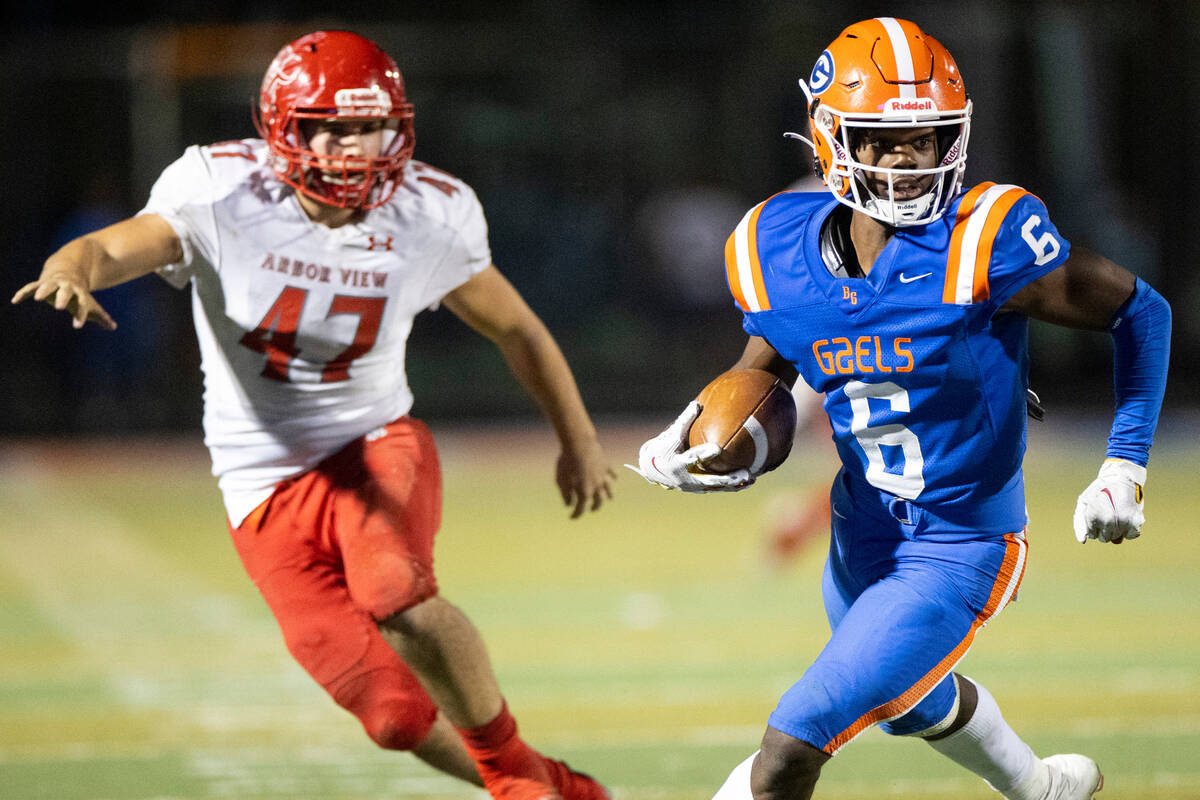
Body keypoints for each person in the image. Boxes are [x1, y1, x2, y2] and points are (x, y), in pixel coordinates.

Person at [14, 30, 615, 800]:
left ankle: (508, 776)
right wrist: (69, 267)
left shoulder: (430, 212)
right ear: (280, 128)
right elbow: (111, 247)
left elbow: (517, 326)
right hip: (259, 485)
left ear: (395, 126)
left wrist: (578, 439)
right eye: (323, 125)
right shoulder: (219, 192)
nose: (345, 146)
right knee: (396, 719)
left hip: (374, 442)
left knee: (392, 587)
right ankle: (555, 787)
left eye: (364, 125)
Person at [630, 17, 1169, 800]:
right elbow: (766, 370)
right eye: (883, 140)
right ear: (828, 137)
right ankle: (1041, 788)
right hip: (862, 528)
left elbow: (1141, 311)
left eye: (926, 138)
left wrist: (1125, 465)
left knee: (789, 749)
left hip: (960, 545)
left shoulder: (983, 239)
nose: (909, 161)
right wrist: (704, 438)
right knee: (904, 703)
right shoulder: (770, 244)